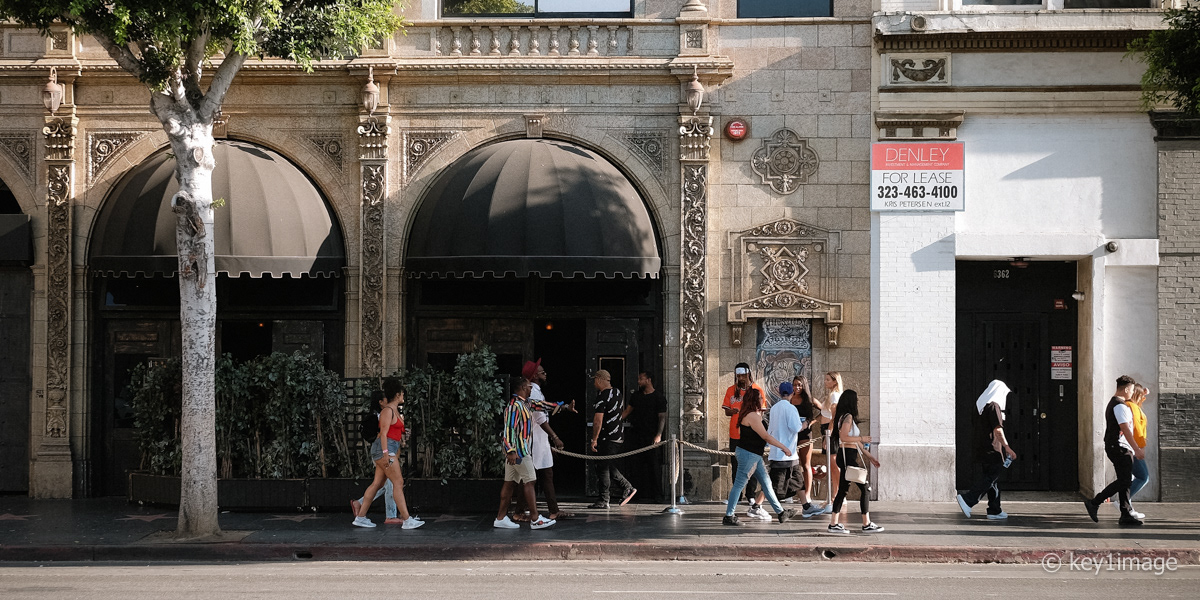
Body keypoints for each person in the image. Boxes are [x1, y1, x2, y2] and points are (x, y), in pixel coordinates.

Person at [723, 387, 798, 526]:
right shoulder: (752, 416)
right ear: (754, 400)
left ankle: (781, 513)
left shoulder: (750, 414)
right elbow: (765, 436)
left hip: (754, 455)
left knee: (767, 483)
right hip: (749, 454)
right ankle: (729, 515)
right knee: (739, 484)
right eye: (760, 398)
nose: (763, 400)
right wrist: (784, 447)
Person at [353, 386, 423, 529]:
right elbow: (383, 434)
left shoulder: (394, 410)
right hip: (385, 450)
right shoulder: (388, 411)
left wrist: (403, 438)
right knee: (398, 482)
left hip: (388, 449)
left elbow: (393, 433)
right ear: (397, 395)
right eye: (402, 393)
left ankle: (360, 517)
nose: (403, 396)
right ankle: (407, 519)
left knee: (377, 484)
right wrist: (386, 454)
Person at [515, 359, 575, 521]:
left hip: (540, 441)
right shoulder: (533, 392)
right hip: (534, 442)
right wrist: (555, 437)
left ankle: (552, 510)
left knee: (543, 476)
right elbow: (540, 418)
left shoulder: (536, 391)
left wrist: (564, 407)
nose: (545, 374)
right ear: (535, 376)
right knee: (529, 478)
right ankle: (520, 511)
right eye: (542, 372)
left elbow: (547, 407)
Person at [494, 378, 556, 530]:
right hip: (519, 452)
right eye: (529, 386)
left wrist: (563, 406)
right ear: (522, 387)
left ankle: (500, 518)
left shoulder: (526, 403)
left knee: (509, 483)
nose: (531, 389)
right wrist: (510, 450)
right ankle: (535, 519)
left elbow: (541, 405)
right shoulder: (514, 406)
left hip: (517, 452)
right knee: (530, 480)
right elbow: (509, 429)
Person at [1084, 375, 1144, 526]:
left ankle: (1125, 514)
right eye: (1131, 390)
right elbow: (1125, 429)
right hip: (1119, 447)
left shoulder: (1117, 404)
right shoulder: (1119, 406)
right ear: (1126, 389)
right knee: (1125, 480)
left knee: (1125, 480)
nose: (1132, 393)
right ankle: (1095, 502)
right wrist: (1136, 449)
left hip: (1120, 447)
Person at [956, 380, 1017, 520]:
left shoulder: (980, 406)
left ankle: (994, 510)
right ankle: (968, 499)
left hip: (982, 447)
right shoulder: (994, 406)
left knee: (992, 479)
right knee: (990, 478)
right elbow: (998, 429)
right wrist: (1007, 447)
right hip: (993, 449)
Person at [827, 390, 883, 534]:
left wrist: (870, 457)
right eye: (856, 400)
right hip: (848, 456)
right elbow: (844, 437)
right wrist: (862, 438)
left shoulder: (843, 417)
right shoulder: (848, 417)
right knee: (865, 488)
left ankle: (834, 523)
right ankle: (866, 523)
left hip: (847, 455)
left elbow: (855, 443)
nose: (857, 402)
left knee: (843, 490)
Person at [720, 362, 768, 519]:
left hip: (751, 433)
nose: (740, 378)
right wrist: (733, 411)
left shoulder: (757, 390)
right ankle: (737, 495)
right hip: (735, 433)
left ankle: (751, 495)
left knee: (753, 466)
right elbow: (726, 411)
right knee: (736, 465)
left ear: (748, 374)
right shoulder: (731, 390)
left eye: (742, 375)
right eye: (738, 375)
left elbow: (761, 411)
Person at [589, 369, 636, 509]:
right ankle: (626, 487)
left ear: (599, 379)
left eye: (595, 380)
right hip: (618, 435)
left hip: (607, 437)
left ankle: (605, 498)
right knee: (607, 464)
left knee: (603, 467)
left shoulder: (602, 396)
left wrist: (594, 439)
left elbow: (598, 420)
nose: (594, 383)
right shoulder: (617, 392)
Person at [350, 390, 399, 524]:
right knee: (391, 483)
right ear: (380, 402)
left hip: (382, 451)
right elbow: (379, 434)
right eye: (386, 399)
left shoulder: (383, 414)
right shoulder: (378, 416)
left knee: (382, 483)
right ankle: (390, 515)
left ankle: (360, 505)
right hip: (382, 452)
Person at [621, 370, 667, 502]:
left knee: (654, 465)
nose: (638, 381)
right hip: (636, 435)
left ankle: (657, 494)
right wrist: (613, 421)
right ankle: (636, 493)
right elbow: (627, 412)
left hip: (651, 436)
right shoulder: (636, 396)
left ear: (648, 380)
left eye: (641, 378)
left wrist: (658, 435)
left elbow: (662, 418)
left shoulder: (659, 397)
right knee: (636, 465)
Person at [812, 371, 844, 515]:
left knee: (834, 465)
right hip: (826, 429)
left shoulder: (834, 395)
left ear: (835, 381)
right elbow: (825, 414)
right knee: (832, 465)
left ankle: (836, 496)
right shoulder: (831, 395)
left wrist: (828, 434)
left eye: (827, 380)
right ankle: (834, 495)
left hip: (830, 431)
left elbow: (834, 416)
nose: (825, 382)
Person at [1125, 383, 1151, 519]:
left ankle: (1126, 504)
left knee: (1130, 477)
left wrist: (1143, 394)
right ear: (1136, 394)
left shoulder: (1131, 405)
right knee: (1143, 477)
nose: (1142, 399)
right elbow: (1137, 429)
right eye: (1140, 396)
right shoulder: (1132, 407)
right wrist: (1140, 447)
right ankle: (1124, 501)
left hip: (1131, 447)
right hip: (1134, 447)